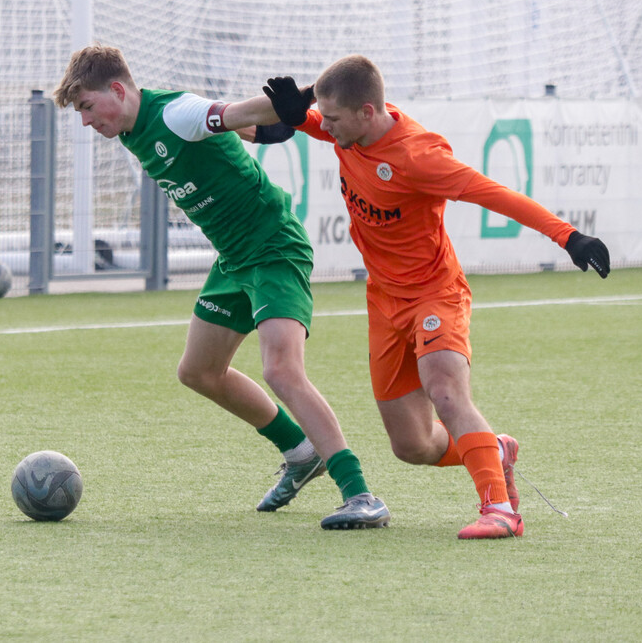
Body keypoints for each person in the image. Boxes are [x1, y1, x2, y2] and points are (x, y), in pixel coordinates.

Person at [222, 55, 610, 539]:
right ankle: (492, 448)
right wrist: (271, 116)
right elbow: (296, 124)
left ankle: (500, 509)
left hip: (434, 292)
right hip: (383, 301)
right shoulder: (348, 130)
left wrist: (568, 237)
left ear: (367, 111)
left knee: (444, 388)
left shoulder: (420, 156)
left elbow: (493, 194)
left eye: (335, 119)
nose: (328, 128)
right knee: (412, 444)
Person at [52, 45, 389, 530]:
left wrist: (306, 96)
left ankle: (360, 493)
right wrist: (275, 122)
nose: (85, 121)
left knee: (281, 370)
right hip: (233, 259)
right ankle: (299, 452)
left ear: (119, 90)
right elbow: (258, 129)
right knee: (199, 371)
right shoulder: (131, 132)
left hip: (273, 246)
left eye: (86, 106)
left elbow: (243, 113)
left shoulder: (175, 112)